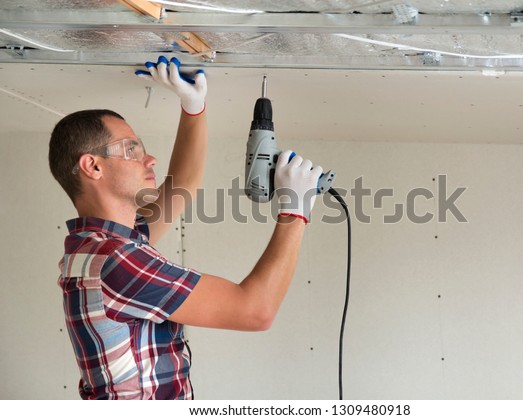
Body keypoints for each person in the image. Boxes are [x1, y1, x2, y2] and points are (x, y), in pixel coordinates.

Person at [48, 56, 323, 400]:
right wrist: (295, 211)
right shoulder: (115, 260)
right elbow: (255, 311)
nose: (149, 159)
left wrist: (193, 107)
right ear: (93, 166)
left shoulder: (99, 246)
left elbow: (183, 186)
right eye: (131, 149)